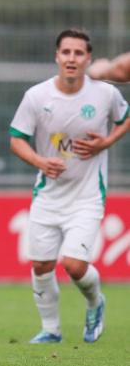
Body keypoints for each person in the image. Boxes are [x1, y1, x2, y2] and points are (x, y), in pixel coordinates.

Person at [9, 28, 130, 344]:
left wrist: (106, 142)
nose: (71, 58)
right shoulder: (37, 96)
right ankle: (51, 330)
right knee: (41, 265)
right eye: (66, 52)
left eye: (78, 53)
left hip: (87, 196)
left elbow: (125, 118)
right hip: (48, 195)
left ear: (88, 58)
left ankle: (95, 302)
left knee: (74, 265)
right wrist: (40, 161)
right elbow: (16, 139)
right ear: (57, 57)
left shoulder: (104, 93)